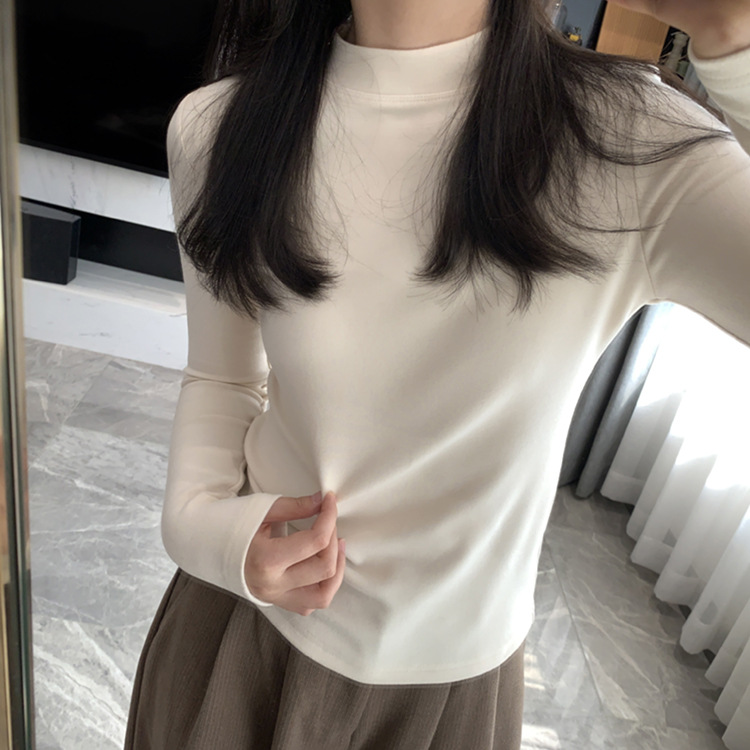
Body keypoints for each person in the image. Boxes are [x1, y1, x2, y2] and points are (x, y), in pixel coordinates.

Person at [125, 0, 750, 748]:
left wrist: (733, 40)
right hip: (234, 633)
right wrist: (204, 532)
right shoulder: (219, 126)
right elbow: (221, 380)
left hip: (448, 690)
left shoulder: (627, 141)